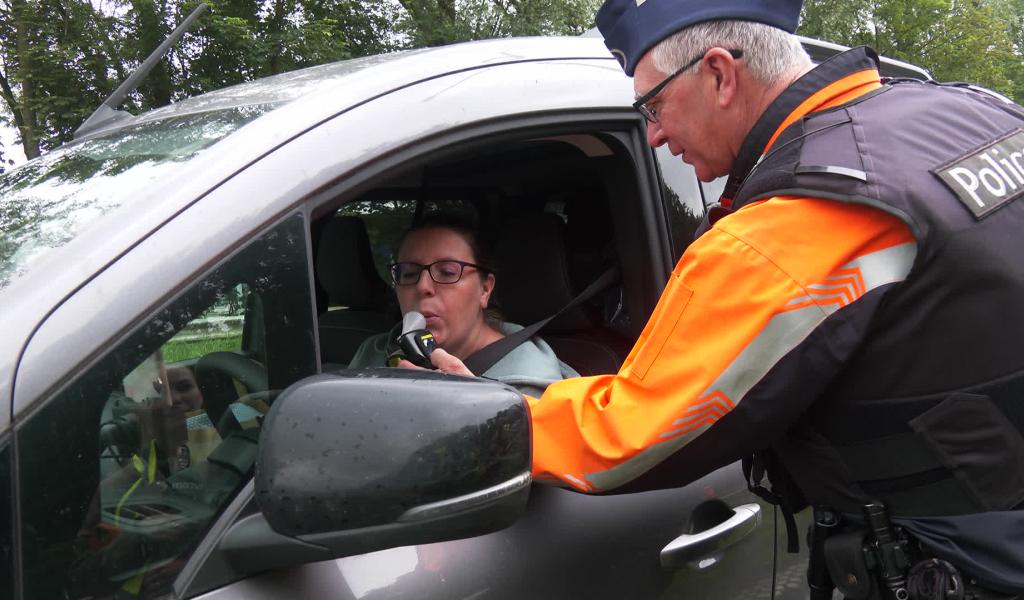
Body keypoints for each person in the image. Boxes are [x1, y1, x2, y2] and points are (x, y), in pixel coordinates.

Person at [420, 1, 1024, 597]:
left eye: (653, 105)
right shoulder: (974, 112)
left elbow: (630, 438)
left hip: (961, 563)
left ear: (719, 74)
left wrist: (479, 418)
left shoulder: (800, 221)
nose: (653, 134)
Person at [349, 213, 578, 397]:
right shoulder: (373, 353)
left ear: (485, 290)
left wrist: (474, 405)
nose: (422, 286)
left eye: (448, 272)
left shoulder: (527, 390)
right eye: (409, 273)